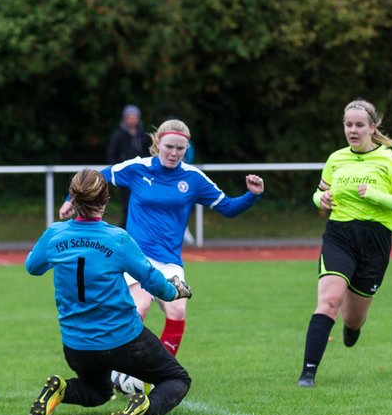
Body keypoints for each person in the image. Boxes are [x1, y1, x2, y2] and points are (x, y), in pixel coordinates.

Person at [62, 119, 264, 385]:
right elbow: (94, 178)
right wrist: (70, 201)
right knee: (139, 308)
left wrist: (252, 195)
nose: (174, 153)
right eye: (169, 146)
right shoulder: (137, 167)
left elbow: (226, 207)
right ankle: (116, 372)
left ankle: (158, 373)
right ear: (158, 144)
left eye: (181, 149)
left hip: (168, 260)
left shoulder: (193, 178)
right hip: (135, 256)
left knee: (177, 311)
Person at [26, 169, 193, 415]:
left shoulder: (55, 234)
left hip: (76, 346)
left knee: (98, 392)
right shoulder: (117, 239)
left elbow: (33, 267)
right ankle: (144, 406)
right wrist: (174, 290)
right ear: (105, 200)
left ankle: (61, 388)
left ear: (72, 199)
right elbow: (150, 279)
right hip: (123, 341)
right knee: (177, 379)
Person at [297, 99, 392, 387]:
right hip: (339, 235)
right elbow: (318, 194)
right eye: (348, 124)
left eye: (359, 125)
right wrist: (320, 199)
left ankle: (352, 329)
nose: (353, 130)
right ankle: (308, 373)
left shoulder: (389, 159)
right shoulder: (336, 158)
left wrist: (375, 195)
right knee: (329, 301)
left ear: (372, 128)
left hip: (375, 241)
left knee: (353, 318)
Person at [105, 105, 152, 227]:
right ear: (125, 118)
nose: (132, 119)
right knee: (127, 206)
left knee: (142, 204)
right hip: (126, 176)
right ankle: (124, 233)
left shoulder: (144, 135)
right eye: (130, 117)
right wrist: (118, 170)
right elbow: (111, 154)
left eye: (135, 117)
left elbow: (149, 153)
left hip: (141, 176)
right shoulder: (118, 135)